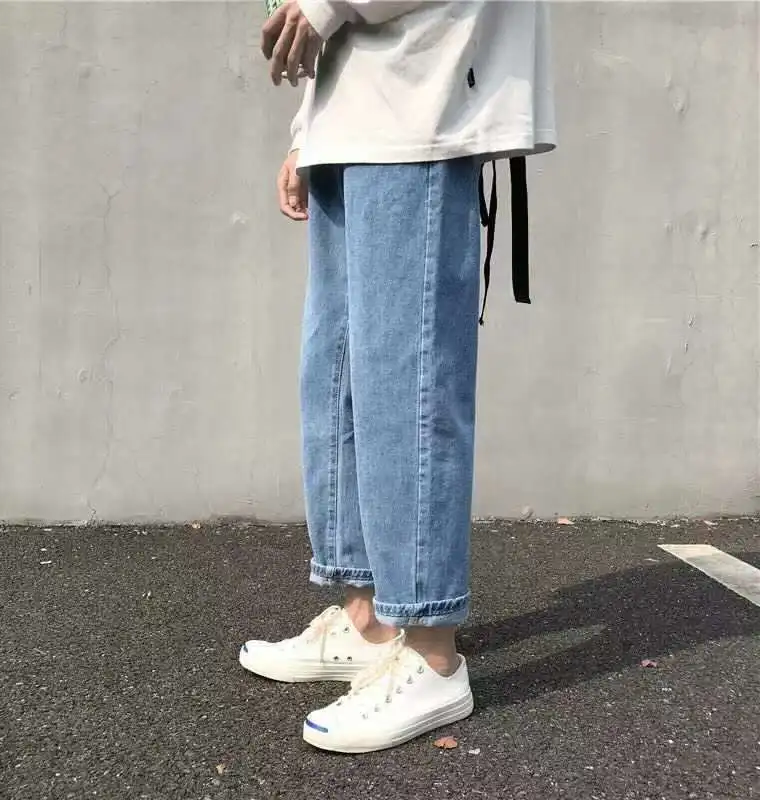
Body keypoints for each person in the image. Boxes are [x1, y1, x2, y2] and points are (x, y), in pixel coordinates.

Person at [239, 0, 556, 753]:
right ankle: (368, 621)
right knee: (338, 377)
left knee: (406, 386)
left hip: (425, 103)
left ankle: (433, 655)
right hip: (352, 120)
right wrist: (306, 133)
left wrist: (325, 6)